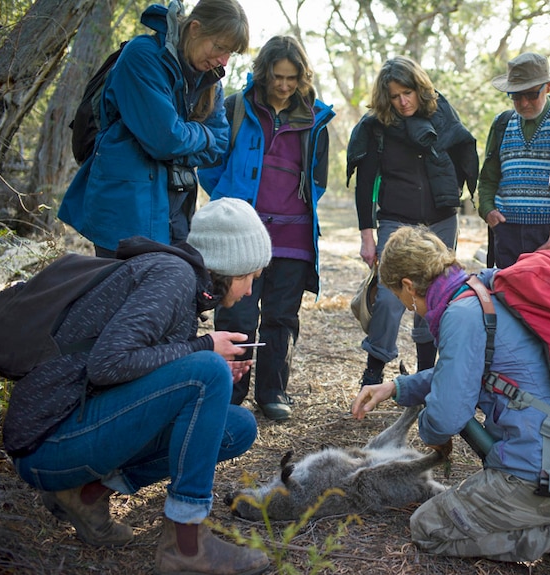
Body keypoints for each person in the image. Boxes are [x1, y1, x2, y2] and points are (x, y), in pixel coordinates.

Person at [4, 198, 272, 575]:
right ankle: (186, 542)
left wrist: (204, 378)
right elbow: (107, 365)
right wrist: (204, 350)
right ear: (229, 266)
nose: (248, 291)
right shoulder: (173, 278)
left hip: (76, 427)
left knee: (237, 427)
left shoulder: (180, 282)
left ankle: (85, 495)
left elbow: (138, 370)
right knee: (207, 368)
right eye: (251, 277)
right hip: (48, 443)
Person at [350, 225, 550, 567]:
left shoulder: (460, 315)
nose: (407, 308)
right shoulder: (481, 291)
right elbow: (462, 369)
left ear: (409, 286)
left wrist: (429, 431)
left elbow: (446, 416)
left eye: (400, 297)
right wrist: (397, 388)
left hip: (546, 475)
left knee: (429, 527)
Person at [198, 36, 334, 421]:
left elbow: (318, 178)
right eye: (278, 76)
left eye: (293, 78)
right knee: (237, 316)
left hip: (293, 237)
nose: (285, 85)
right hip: (241, 236)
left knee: (281, 316)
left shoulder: (315, 119)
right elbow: (211, 163)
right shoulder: (236, 107)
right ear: (264, 72)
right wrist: (230, 198)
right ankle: (229, 389)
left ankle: (273, 391)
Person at [58, 0, 249, 258]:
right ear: (194, 28)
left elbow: (220, 143)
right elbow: (165, 139)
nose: (223, 60)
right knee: (123, 294)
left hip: (176, 210)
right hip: (126, 211)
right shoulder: (142, 56)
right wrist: (202, 134)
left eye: (230, 53)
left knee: (171, 293)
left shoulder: (211, 78)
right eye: (219, 47)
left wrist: (185, 137)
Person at [346, 56, 478, 386]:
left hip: (441, 220)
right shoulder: (376, 127)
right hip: (396, 220)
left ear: (420, 89)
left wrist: (455, 193)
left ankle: (425, 375)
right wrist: (367, 235)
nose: (402, 102)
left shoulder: (442, 116)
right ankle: (374, 370)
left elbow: (463, 155)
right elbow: (366, 184)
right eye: (394, 96)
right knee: (391, 296)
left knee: (434, 294)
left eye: (407, 92)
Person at [478, 52, 550, 268]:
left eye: (531, 95)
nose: (523, 103)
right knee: (508, 298)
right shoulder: (502, 124)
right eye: (515, 96)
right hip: (507, 234)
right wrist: (488, 211)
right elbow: (487, 178)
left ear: (548, 87)